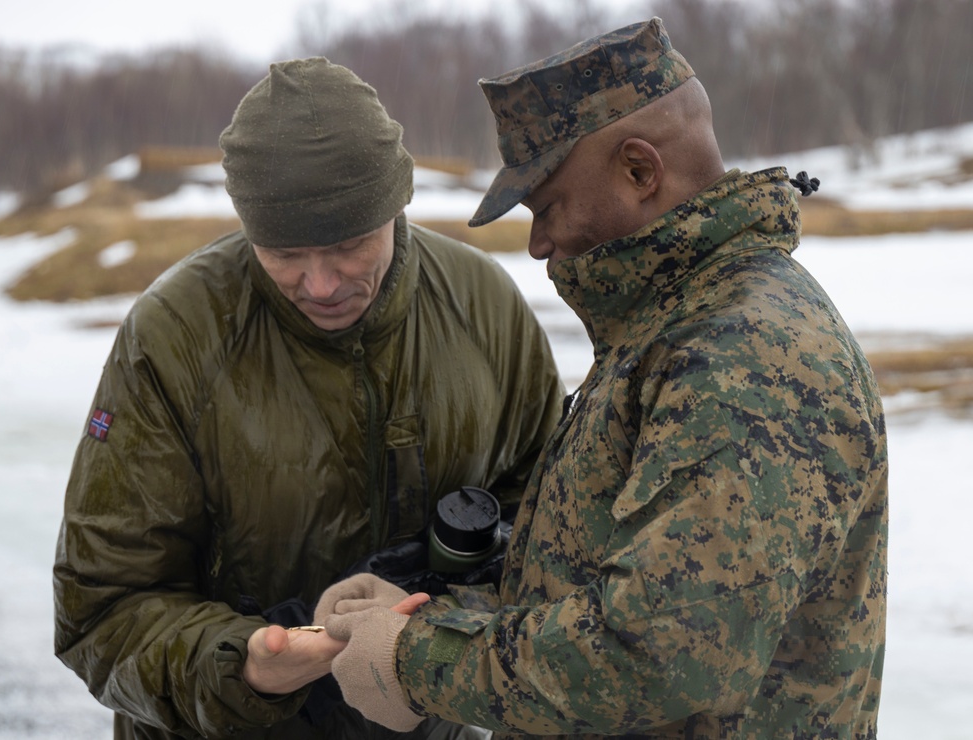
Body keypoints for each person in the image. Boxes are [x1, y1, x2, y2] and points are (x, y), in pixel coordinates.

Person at [317, 18, 889, 739]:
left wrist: (416, 661)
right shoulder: (668, 328)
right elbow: (606, 589)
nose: (538, 244)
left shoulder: (740, 353)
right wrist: (428, 617)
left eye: (547, 207)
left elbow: (662, 653)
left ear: (641, 171)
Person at [52, 58, 566, 740]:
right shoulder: (173, 336)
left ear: (396, 203)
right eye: (284, 252)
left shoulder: (486, 310)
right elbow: (101, 609)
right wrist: (242, 668)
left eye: (350, 246)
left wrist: (436, 620)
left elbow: (554, 539)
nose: (320, 284)